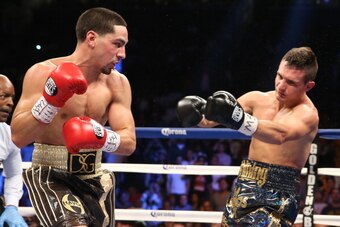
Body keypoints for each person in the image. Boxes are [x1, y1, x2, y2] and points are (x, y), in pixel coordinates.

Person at [10, 7, 136, 227]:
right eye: (117, 44)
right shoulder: (42, 73)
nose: (123, 54)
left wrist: (101, 137)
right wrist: (50, 102)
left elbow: (129, 143)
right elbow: (18, 137)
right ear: (91, 38)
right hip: (51, 175)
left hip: (94, 176)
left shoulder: (118, 84)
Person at [177, 47, 319, 226]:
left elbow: (280, 134)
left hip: (278, 193)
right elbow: (212, 120)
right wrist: (196, 113)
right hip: (243, 185)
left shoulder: (307, 114)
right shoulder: (257, 99)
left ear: (308, 86)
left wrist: (240, 120)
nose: (281, 86)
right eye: (279, 76)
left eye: (291, 82)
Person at [0, 74, 28, 226]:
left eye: (12, 97)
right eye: (4, 96)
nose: (10, 103)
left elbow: (14, 173)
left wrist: (11, 206)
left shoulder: (8, 134)